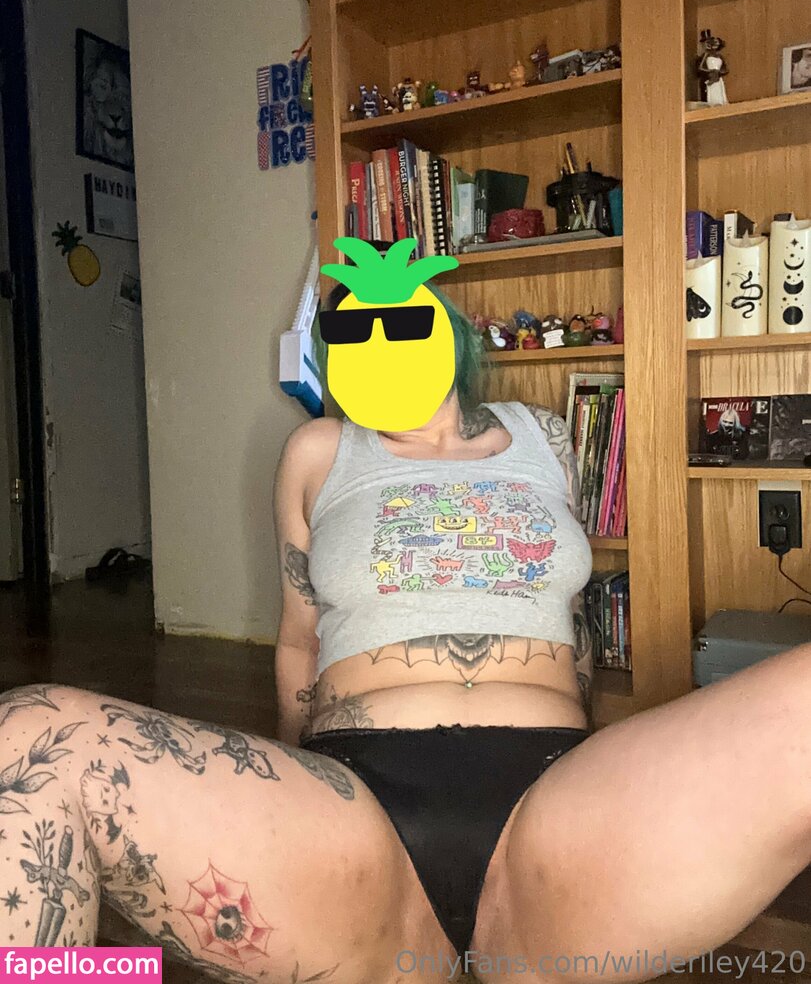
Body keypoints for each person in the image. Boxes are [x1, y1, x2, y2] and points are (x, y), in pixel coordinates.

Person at [1, 240, 811, 984]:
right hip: (358, 806)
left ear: (445, 334)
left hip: (554, 805)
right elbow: (299, 639)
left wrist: (600, 767)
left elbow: (571, 619)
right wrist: (294, 783)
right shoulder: (319, 450)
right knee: (27, 734)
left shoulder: (544, 437)